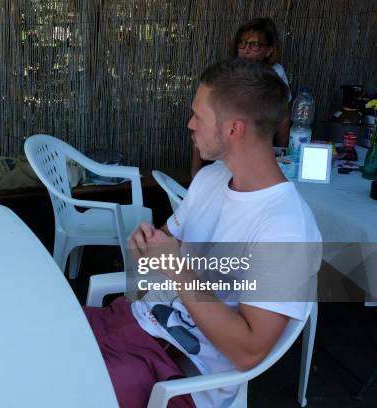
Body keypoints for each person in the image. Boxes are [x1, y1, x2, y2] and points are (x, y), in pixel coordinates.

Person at [84, 59, 321, 407]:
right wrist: (147, 246)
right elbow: (161, 249)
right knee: (36, 338)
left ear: (233, 129)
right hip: (129, 326)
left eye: (199, 116)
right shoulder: (211, 179)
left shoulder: (286, 229)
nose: (190, 124)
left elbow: (249, 352)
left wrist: (178, 270)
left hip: (176, 373)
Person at [191, 17, 292, 178]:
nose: (246, 49)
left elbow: (284, 120)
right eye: (242, 43)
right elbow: (201, 120)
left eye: (254, 45)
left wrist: (282, 156)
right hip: (224, 153)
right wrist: (195, 170)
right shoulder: (229, 75)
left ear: (269, 50)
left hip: (252, 154)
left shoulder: (275, 75)